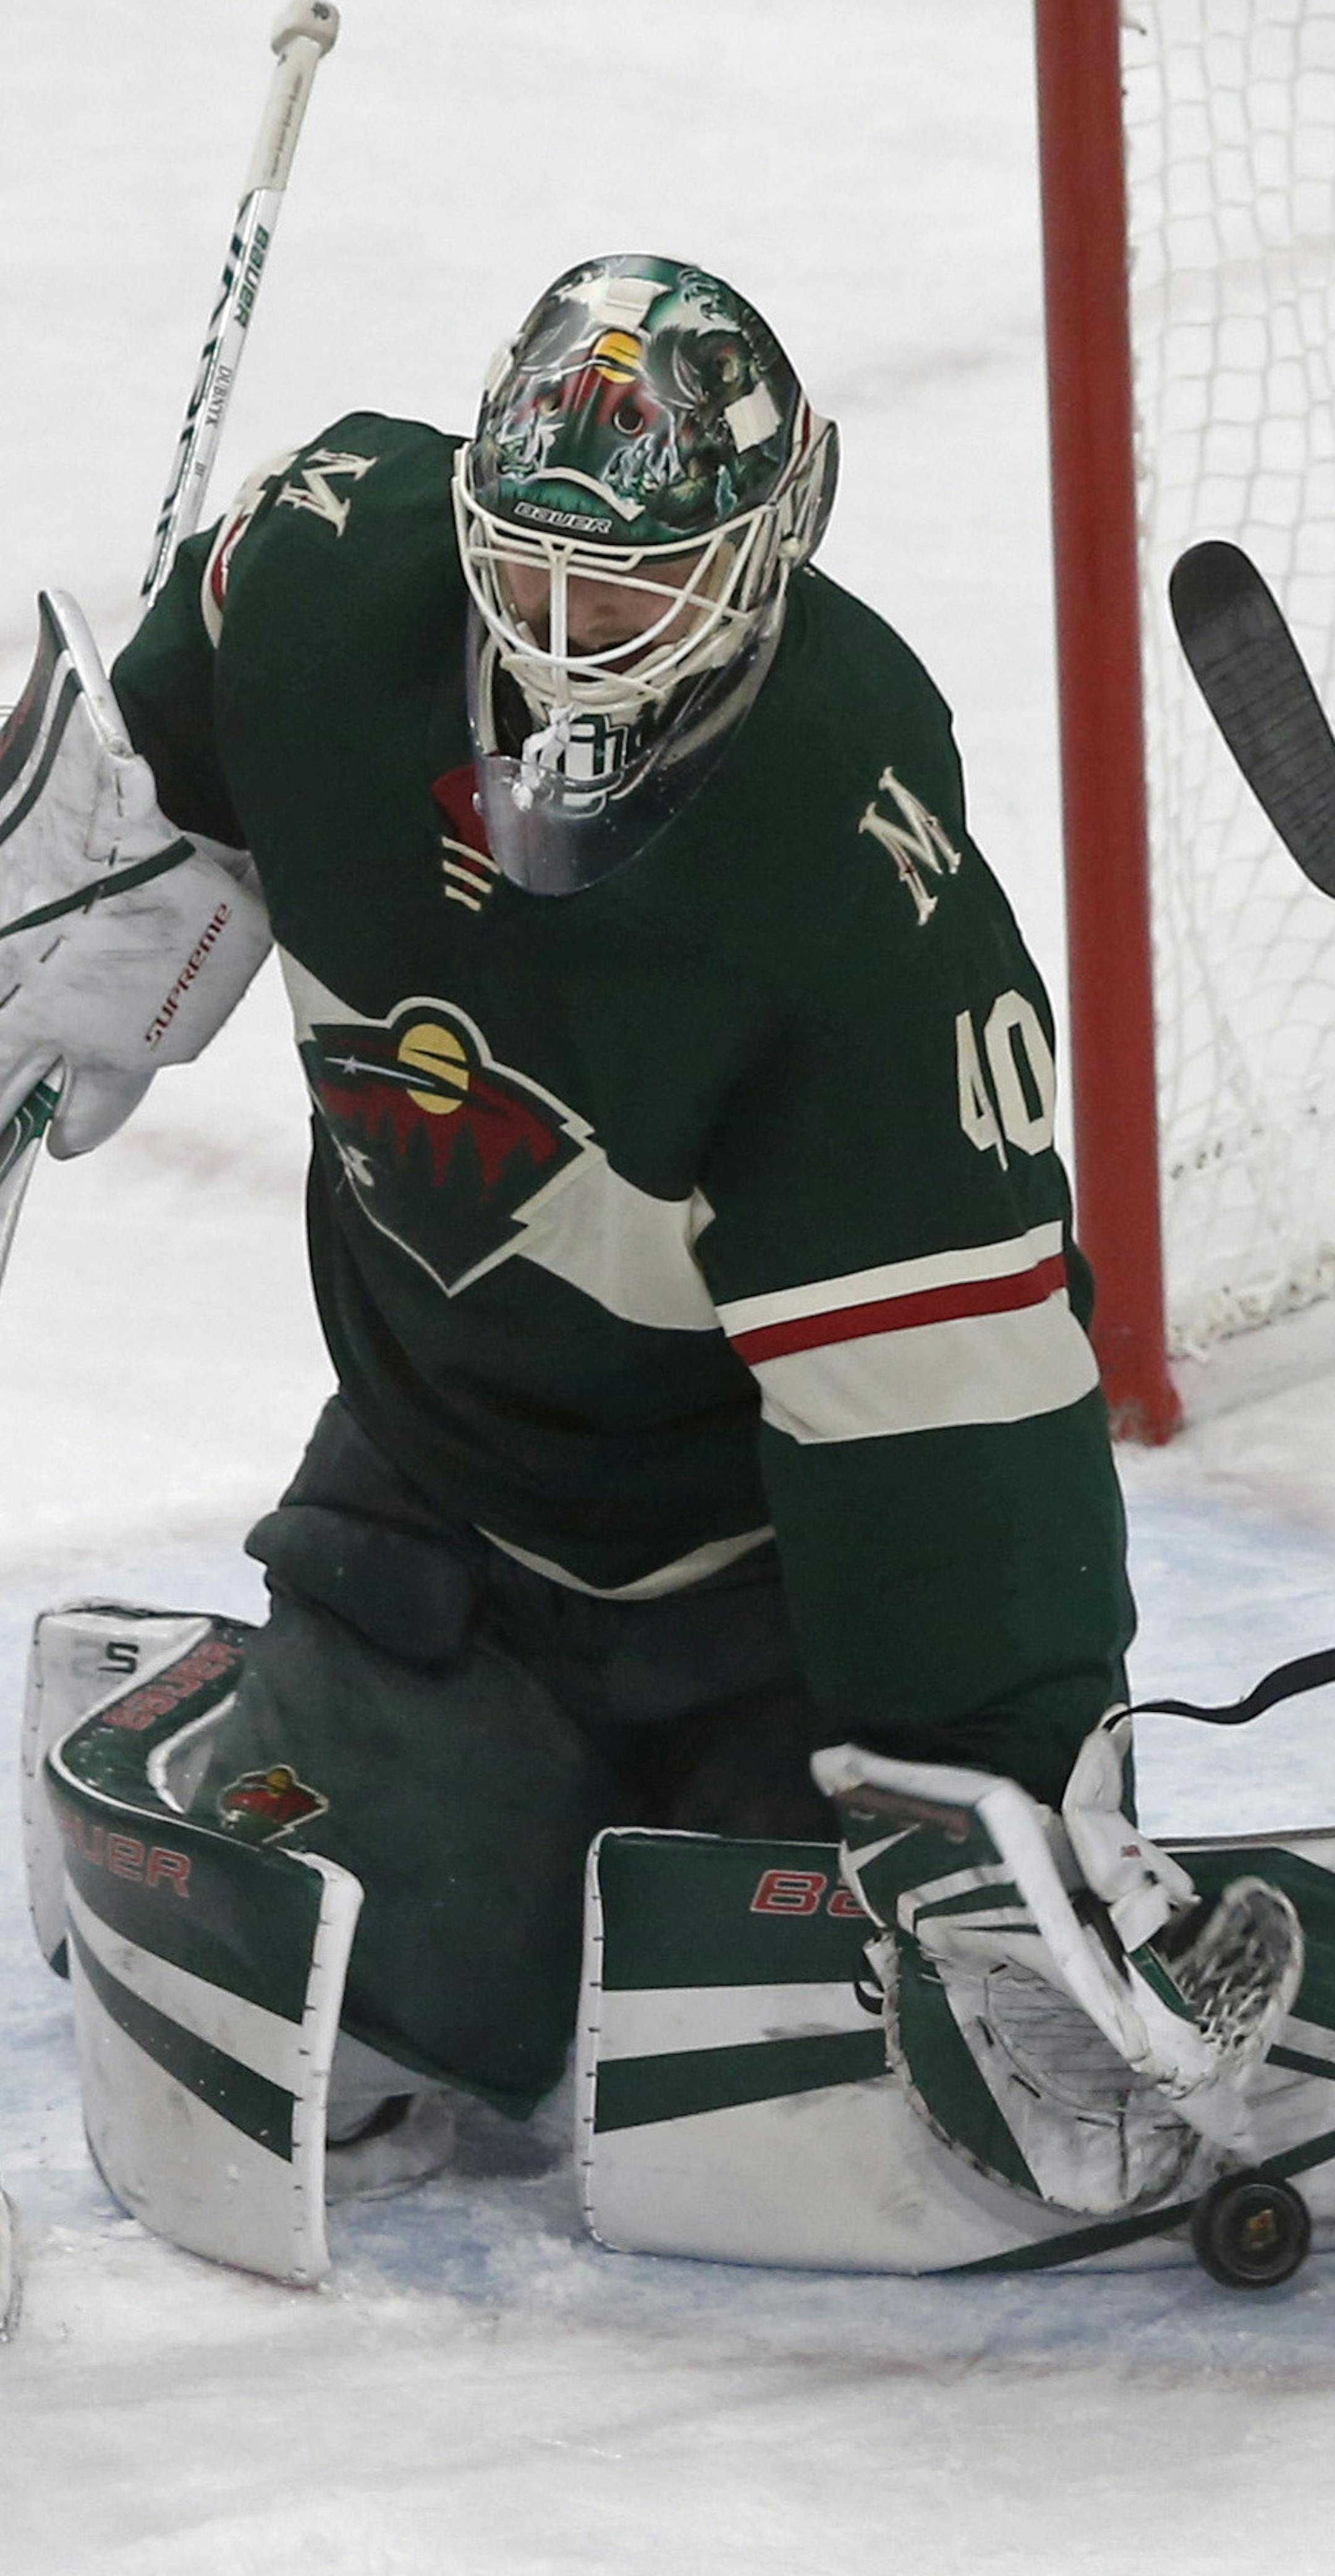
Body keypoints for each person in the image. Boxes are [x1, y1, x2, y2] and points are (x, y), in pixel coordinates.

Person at [14, 253, 1292, 2180]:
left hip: (767, 1568)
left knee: (819, 2040)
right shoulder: (324, 562)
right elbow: (158, 787)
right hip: (443, 1493)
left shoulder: (843, 862)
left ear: (769, 551)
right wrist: (87, 895)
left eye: (632, 584)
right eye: (525, 565)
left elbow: (949, 1410)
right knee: (408, 2011)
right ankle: (247, 1706)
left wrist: (991, 1786)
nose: (561, 630)